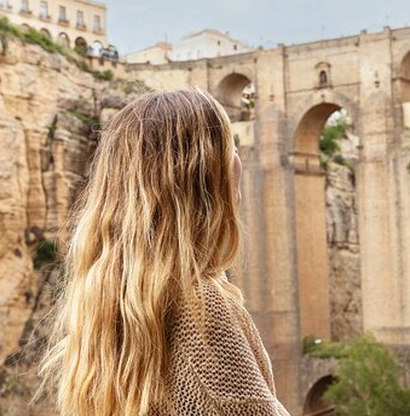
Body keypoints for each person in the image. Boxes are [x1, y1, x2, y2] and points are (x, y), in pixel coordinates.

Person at [39, 89, 290, 416]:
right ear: (204, 182)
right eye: (231, 148)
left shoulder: (111, 302)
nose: (239, 161)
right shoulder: (201, 309)